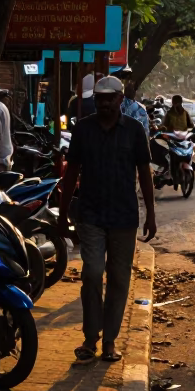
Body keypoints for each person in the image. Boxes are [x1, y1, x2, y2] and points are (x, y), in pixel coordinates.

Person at [58, 75, 157, 363]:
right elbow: (71, 173)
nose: (103, 103)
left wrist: (150, 214)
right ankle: (90, 337)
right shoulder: (84, 130)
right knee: (91, 273)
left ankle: (110, 342)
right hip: (90, 215)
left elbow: (144, 173)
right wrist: (63, 216)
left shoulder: (135, 131)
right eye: (99, 98)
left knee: (119, 279)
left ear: (119, 99)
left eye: (108, 98)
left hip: (124, 217)